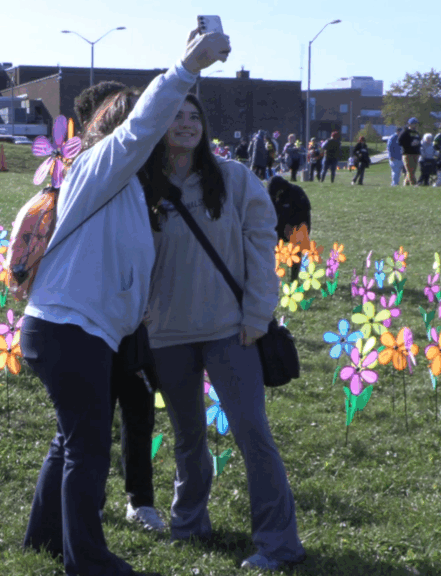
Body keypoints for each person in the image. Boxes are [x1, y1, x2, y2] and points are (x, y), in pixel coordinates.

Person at [21, 28, 230, 576]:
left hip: (75, 329)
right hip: (69, 329)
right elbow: (141, 126)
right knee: (87, 448)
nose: (162, 138)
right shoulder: (102, 167)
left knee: (70, 440)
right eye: (153, 131)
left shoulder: (127, 189)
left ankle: (41, 540)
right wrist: (188, 66)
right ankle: (86, 561)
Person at [138, 93, 306, 572]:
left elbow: (260, 246)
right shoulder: (144, 183)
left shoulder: (234, 178)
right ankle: (189, 522)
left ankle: (279, 543)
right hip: (167, 331)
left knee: (252, 432)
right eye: (176, 116)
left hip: (232, 331)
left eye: (195, 117)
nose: (187, 124)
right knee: (187, 434)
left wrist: (258, 313)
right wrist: (142, 314)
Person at [73, 78, 167, 535]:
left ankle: (139, 499)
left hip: (133, 312)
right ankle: (86, 505)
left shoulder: (147, 171)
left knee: (137, 403)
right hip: (93, 314)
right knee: (88, 421)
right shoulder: (89, 172)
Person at [399, 117, 422, 186]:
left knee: (412, 171)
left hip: (416, 154)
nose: (415, 125)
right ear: (410, 124)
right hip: (407, 154)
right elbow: (400, 142)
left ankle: (406, 184)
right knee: (410, 171)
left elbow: (420, 141)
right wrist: (410, 144)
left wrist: (418, 143)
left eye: (416, 124)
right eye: (414, 124)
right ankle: (414, 184)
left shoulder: (416, 133)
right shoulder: (405, 132)